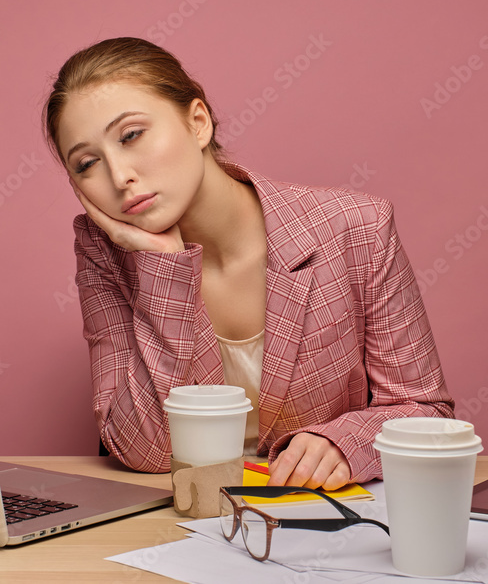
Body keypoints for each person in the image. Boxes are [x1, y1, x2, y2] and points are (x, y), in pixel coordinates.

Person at [43, 37, 454, 490]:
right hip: (185, 522)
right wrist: (165, 268)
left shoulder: (357, 229)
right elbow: (148, 451)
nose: (120, 177)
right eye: (86, 164)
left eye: (131, 135)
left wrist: (343, 442)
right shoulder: (106, 252)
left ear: (197, 123)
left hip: (321, 517)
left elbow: (425, 410)